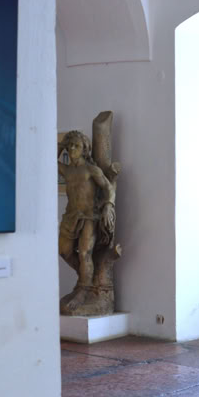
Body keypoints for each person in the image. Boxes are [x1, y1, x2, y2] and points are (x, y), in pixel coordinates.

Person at [58, 130, 115, 312]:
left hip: (89, 216)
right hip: (71, 216)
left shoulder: (91, 170)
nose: (71, 149)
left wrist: (108, 206)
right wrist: (61, 145)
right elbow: (50, 161)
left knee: (84, 253)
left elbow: (108, 188)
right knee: (64, 251)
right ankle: (84, 279)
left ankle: (84, 289)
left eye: (76, 146)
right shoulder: (67, 170)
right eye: (69, 146)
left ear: (84, 149)